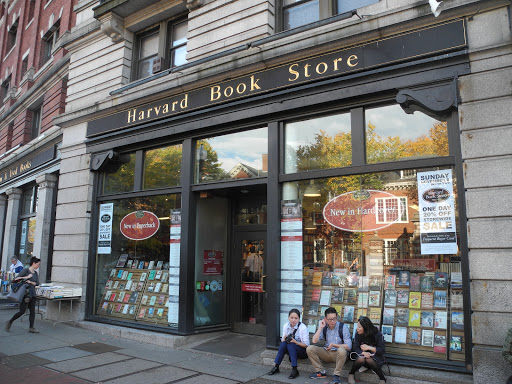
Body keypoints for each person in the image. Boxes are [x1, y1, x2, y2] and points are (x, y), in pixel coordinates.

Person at [306, 307, 352, 383]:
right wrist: (320, 328)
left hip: (338, 354)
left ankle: (336, 375)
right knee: (310, 348)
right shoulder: (324, 327)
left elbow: (349, 346)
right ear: (325, 319)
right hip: (326, 352)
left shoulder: (343, 327)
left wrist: (335, 345)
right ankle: (320, 372)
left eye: (334, 318)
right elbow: (314, 341)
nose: (332, 321)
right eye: (330, 319)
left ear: (337, 317)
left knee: (342, 350)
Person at [268, 308, 310, 379]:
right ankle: (276, 366)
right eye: (291, 318)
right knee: (284, 344)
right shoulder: (286, 326)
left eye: (296, 318)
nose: (293, 320)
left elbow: (306, 345)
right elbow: (283, 341)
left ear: (299, 319)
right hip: (291, 349)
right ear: (288, 318)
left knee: (291, 344)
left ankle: (295, 369)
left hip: (302, 351)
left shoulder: (303, 328)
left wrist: (295, 342)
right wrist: (283, 339)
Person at [5, 257, 41, 333]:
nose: (38, 266)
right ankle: (10, 321)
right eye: (38, 264)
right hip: (25, 294)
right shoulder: (25, 271)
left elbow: (37, 283)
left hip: (32, 294)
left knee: (32, 311)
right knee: (22, 311)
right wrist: (27, 277)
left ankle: (31, 327)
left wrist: (31, 282)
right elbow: (15, 279)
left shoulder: (35, 273)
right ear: (33, 263)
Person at [348, 316, 387, 384]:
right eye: (357, 326)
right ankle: (351, 374)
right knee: (361, 358)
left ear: (365, 328)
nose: (357, 329)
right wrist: (363, 353)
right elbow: (355, 347)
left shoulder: (377, 335)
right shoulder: (358, 334)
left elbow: (382, 350)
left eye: (359, 327)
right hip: (362, 358)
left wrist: (369, 348)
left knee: (369, 359)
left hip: (376, 359)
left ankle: (382, 379)